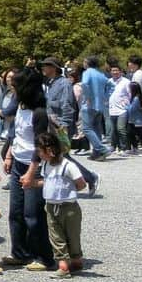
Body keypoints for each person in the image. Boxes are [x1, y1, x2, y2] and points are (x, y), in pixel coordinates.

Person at [0, 68, 55, 271]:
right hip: (17, 162)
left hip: (34, 165)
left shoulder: (39, 113)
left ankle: (44, 256)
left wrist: (31, 171)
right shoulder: (20, 107)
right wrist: (8, 155)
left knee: (33, 214)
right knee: (15, 212)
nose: (12, 88)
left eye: (16, 85)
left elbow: (40, 145)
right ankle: (20, 252)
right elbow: (16, 135)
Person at [40, 57, 98, 196]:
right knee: (59, 155)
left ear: (53, 68)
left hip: (60, 126)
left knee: (62, 156)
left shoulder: (64, 83)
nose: (43, 68)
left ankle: (89, 177)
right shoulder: (51, 83)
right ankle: (83, 178)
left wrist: (63, 127)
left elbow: (67, 106)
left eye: (46, 66)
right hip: (53, 126)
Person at [36, 131, 87, 278]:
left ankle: (76, 260)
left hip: (69, 207)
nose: (39, 154)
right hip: (51, 206)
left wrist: (68, 190)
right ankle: (63, 266)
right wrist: (34, 183)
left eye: (40, 151)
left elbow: (81, 184)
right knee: (56, 236)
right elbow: (48, 181)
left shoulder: (68, 166)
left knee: (73, 235)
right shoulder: (45, 165)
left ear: (50, 151)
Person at [107, 62, 132, 156]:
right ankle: (114, 146)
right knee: (113, 129)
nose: (115, 72)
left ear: (121, 71)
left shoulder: (126, 82)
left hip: (123, 109)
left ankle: (124, 148)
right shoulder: (109, 81)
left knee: (121, 128)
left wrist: (127, 104)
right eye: (113, 70)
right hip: (112, 109)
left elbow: (130, 94)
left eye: (117, 70)